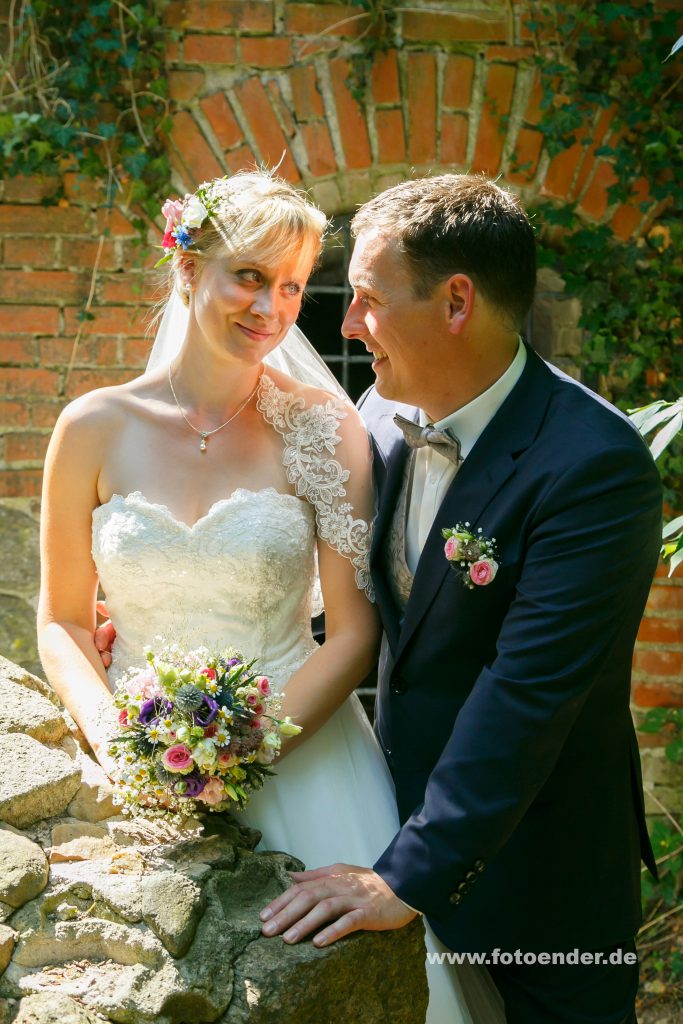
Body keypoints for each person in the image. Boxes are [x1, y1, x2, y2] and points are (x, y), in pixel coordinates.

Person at [37, 170, 493, 1024]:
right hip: (136, 770)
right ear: (185, 266)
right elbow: (61, 617)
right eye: (249, 275)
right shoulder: (92, 425)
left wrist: (246, 749)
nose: (272, 307)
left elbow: (352, 636)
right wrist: (121, 747)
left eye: (291, 286)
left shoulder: (322, 428)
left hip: (305, 755)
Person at [259, 174, 663, 1024]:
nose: (346, 324)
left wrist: (404, 876)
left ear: (455, 303)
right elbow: (345, 596)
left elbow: (528, 694)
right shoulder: (373, 415)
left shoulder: (593, 465)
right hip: (381, 815)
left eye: (366, 299)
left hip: (542, 875)